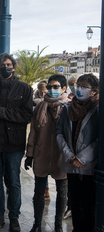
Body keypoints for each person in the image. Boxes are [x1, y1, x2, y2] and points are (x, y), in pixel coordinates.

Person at [0, 53, 33, 232]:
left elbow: (26, 115)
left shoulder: (24, 89)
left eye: (8, 64)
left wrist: (2, 112)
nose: (5, 67)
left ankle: (14, 217)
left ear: (14, 67)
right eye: (2, 65)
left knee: (13, 182)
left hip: (14, 144)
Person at [25, 74, 69, 232]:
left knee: (62, 192)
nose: (51, 90)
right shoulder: (41, 107)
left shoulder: (68, 107)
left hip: (61, 157)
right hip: (42, 154)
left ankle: (58, 225)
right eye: (49, 87)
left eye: (56, 87)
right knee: (38, 192)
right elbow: (34, 133)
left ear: (64, 88)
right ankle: (37, 224)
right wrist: (29, 154)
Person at [56, 73, 99, 232]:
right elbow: (59, 132)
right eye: (78, 85)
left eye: (84, 87)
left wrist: (82, 157)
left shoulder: (98, 109)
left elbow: (99, 139)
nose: (79, 89)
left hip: (89, 166)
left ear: (94, 91)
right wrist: (69, 155)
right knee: (75, 203)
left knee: (89, 206)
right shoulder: (68, 108)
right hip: (71, 164)